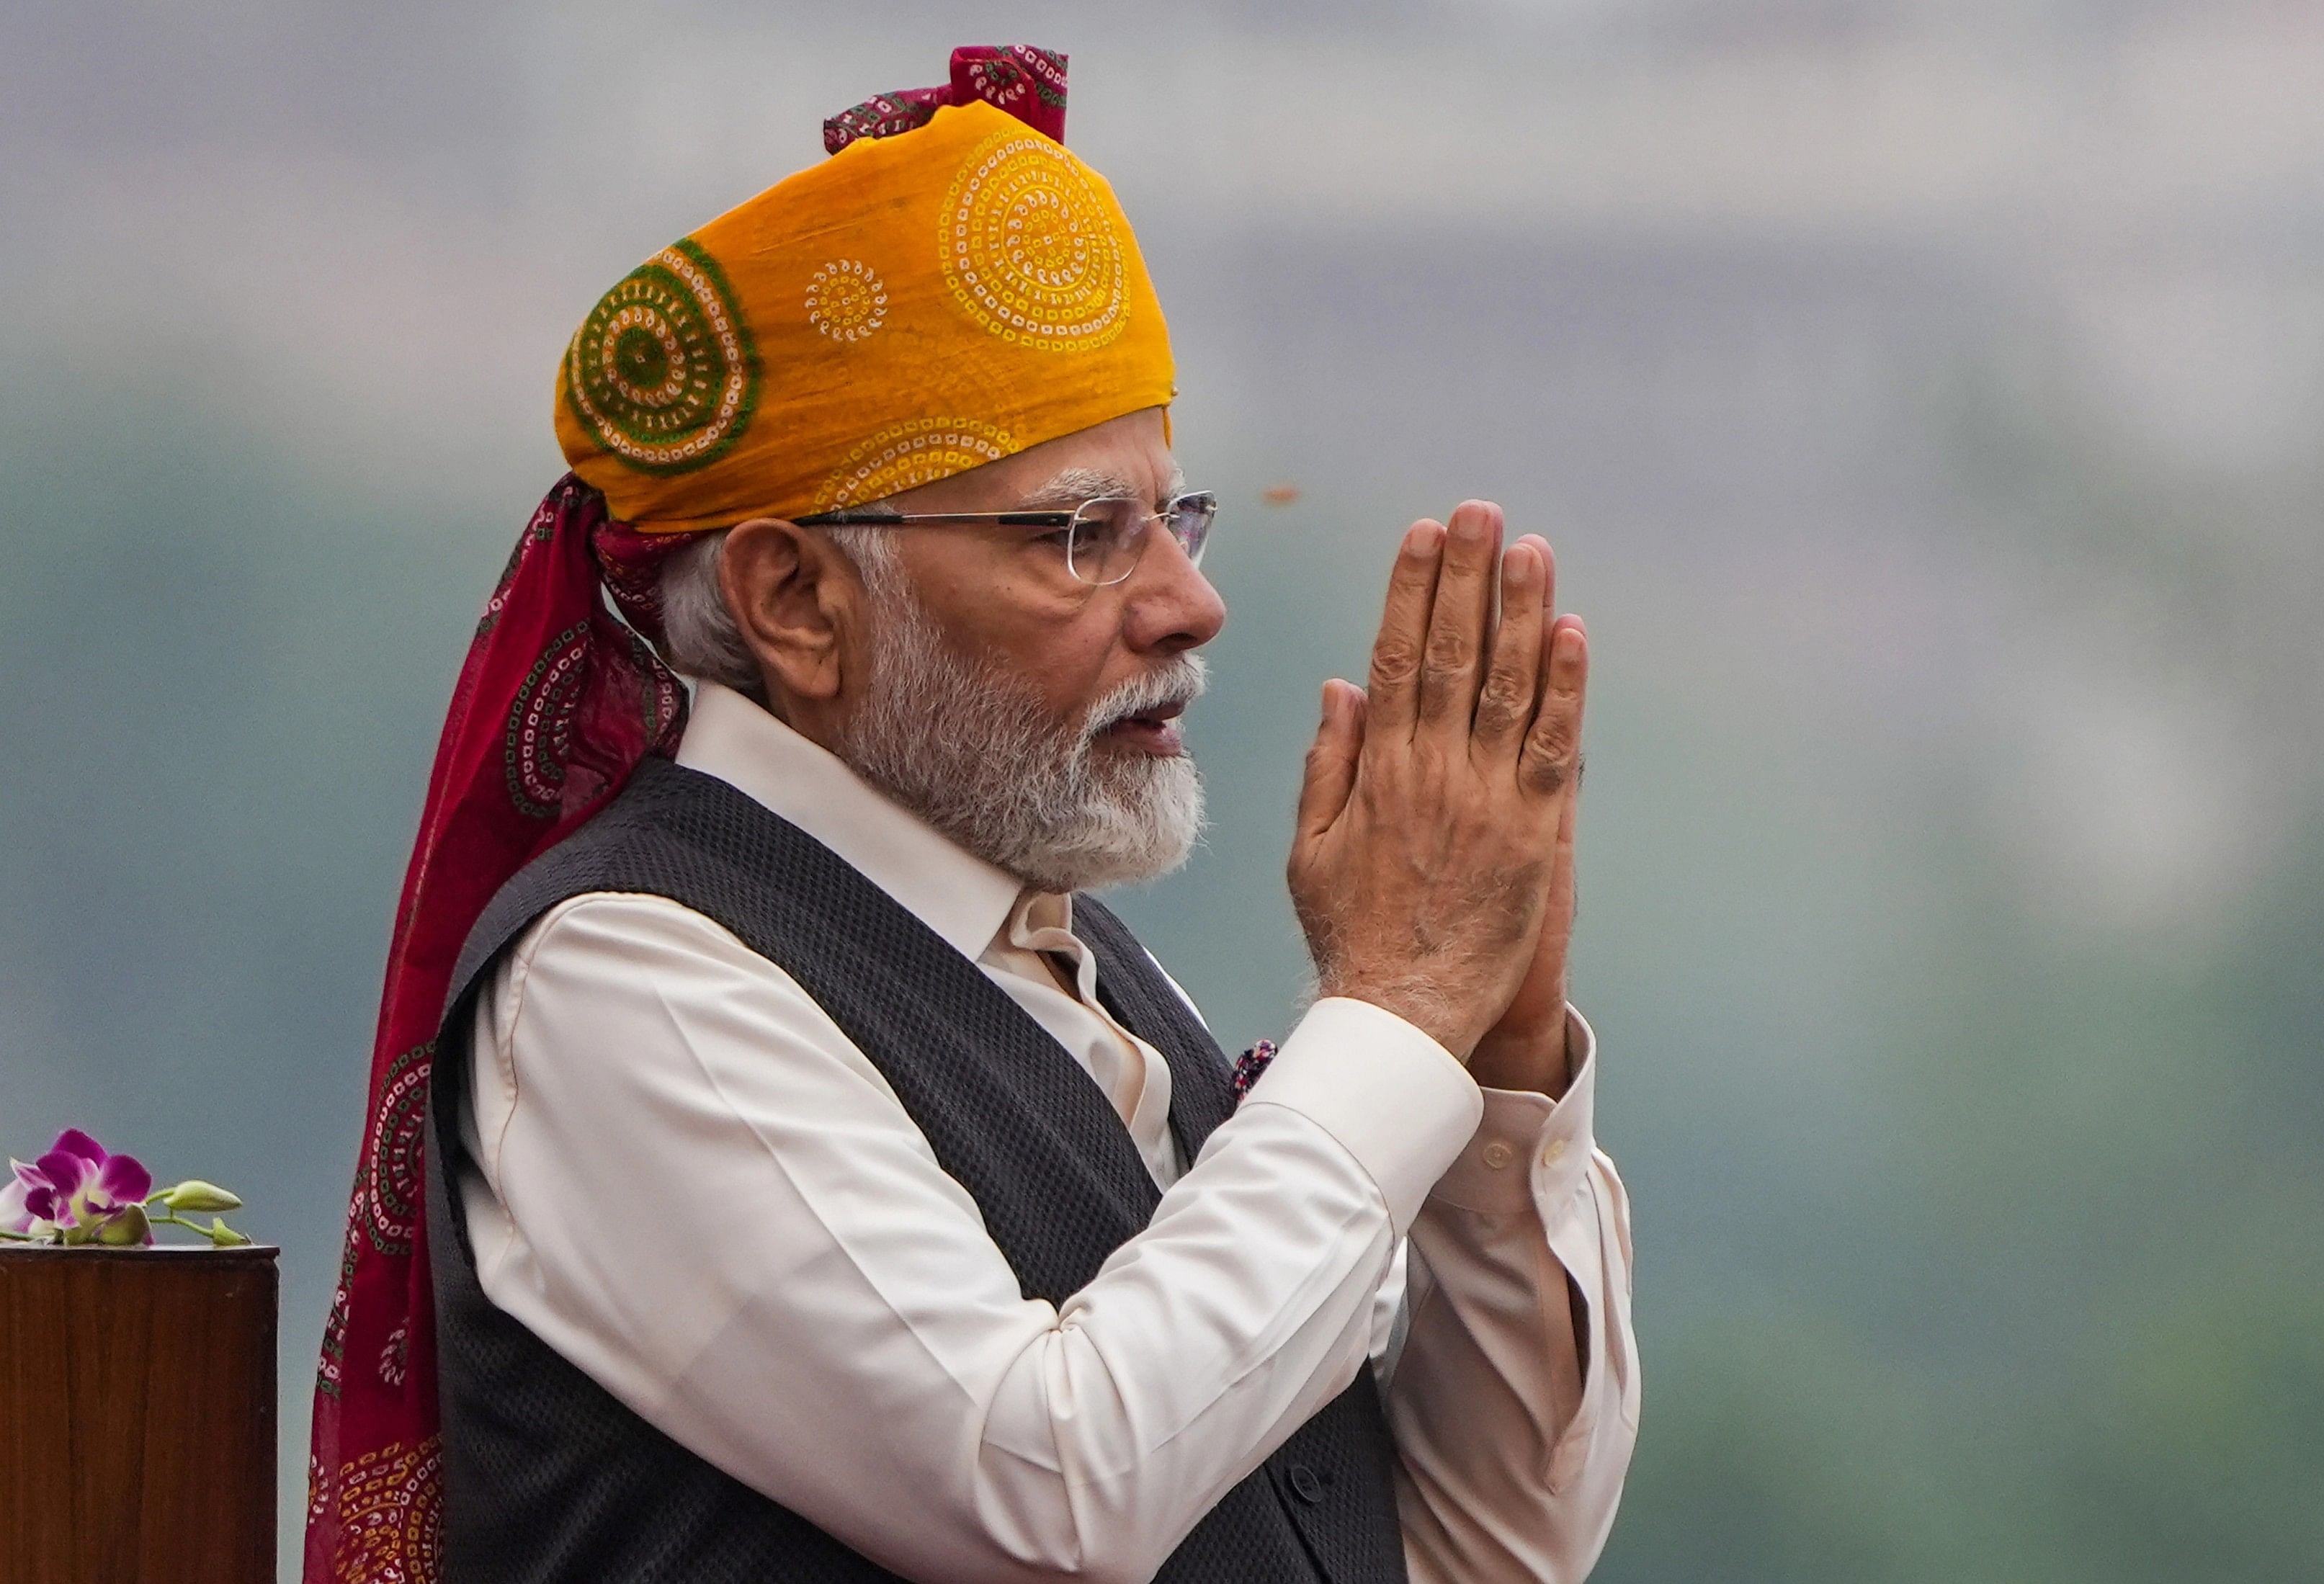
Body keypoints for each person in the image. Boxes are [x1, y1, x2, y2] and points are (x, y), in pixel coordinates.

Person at [304, 47, 1637, 1584]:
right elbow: (1046, 1491)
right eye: (1081, 535)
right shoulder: (631, 981)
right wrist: (1390, 1007)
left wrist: (1487, 1063)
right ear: (795, 597)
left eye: (1174, 517)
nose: (1187, 604)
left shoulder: (1088, 973)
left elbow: (1477, 1545)